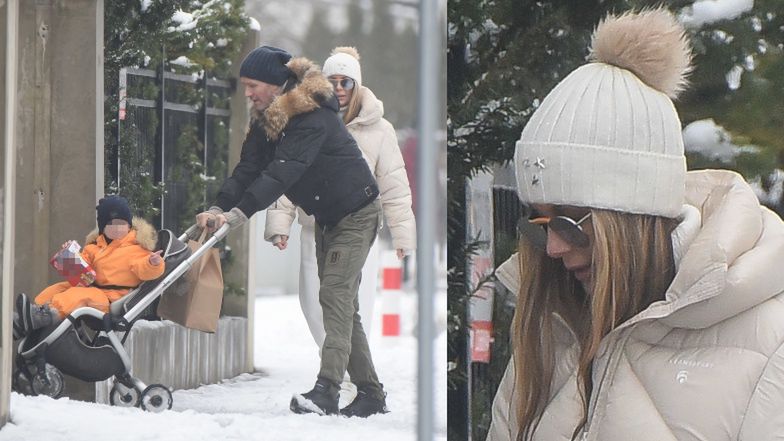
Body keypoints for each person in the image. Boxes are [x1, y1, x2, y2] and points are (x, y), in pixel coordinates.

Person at [486, 9, 784, 441]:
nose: (552, 248)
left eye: (570, 222)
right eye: (539, 221)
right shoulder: (554, 327)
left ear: (633, 217)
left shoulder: (770, 343)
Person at [194, 45, 389, 418]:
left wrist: (239, 214)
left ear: (275, 83)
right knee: (343, 306)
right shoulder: (268, 119)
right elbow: (249, 168)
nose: (247, 93)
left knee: (334, 296)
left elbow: (283, 173)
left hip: (357, 213)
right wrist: (220, 206)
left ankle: (327, 390)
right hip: (328, 216)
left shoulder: (310, 117)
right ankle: (371, 394)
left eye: (253, 85)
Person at [264, 46, 416, 351]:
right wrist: (280, 222)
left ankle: (342, 376)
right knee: (313, 303)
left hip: (360, 229)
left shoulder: (380, 130)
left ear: (357, 84)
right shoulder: (306, 121)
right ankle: (336, 365)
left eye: (345, 81)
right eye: (332, 80)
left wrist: (403, 235)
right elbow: (290, 173)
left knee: (355, 305)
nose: (338, 88)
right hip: (315, 227)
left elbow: (394, 185)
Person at [14, 195, 164, 338]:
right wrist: (70, 257)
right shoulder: (94, 247)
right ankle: (31, 315)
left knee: (79, 295)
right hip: (91, 286)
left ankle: (48, 314)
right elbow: (83, 269)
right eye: (111, 224)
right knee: (59, 288)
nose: (117, 228)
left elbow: (143, 268)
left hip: (111, 299)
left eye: (121, 223)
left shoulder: (136, 248)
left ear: (129, 225)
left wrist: (153, 264)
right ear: (103, 227)